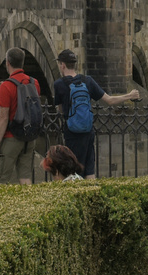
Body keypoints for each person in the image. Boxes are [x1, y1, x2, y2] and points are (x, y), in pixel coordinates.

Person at [51, 48, 140, 179]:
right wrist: (129, 95)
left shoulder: (59, 84)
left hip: (72, 132)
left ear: (63, 65)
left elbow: (60, 109)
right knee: (89, 169)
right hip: (88, 131)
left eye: (60, 64)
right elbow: (109, 100)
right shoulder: (88, 81)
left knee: (73, 170)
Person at [0, 48, 41, 186]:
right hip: (29, 137)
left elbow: (3, 117)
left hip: (11, 137)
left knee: (0, 178)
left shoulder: (6, 86)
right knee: (25, 178)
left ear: (8, 63)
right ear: (22, 63)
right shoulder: (34, 83)